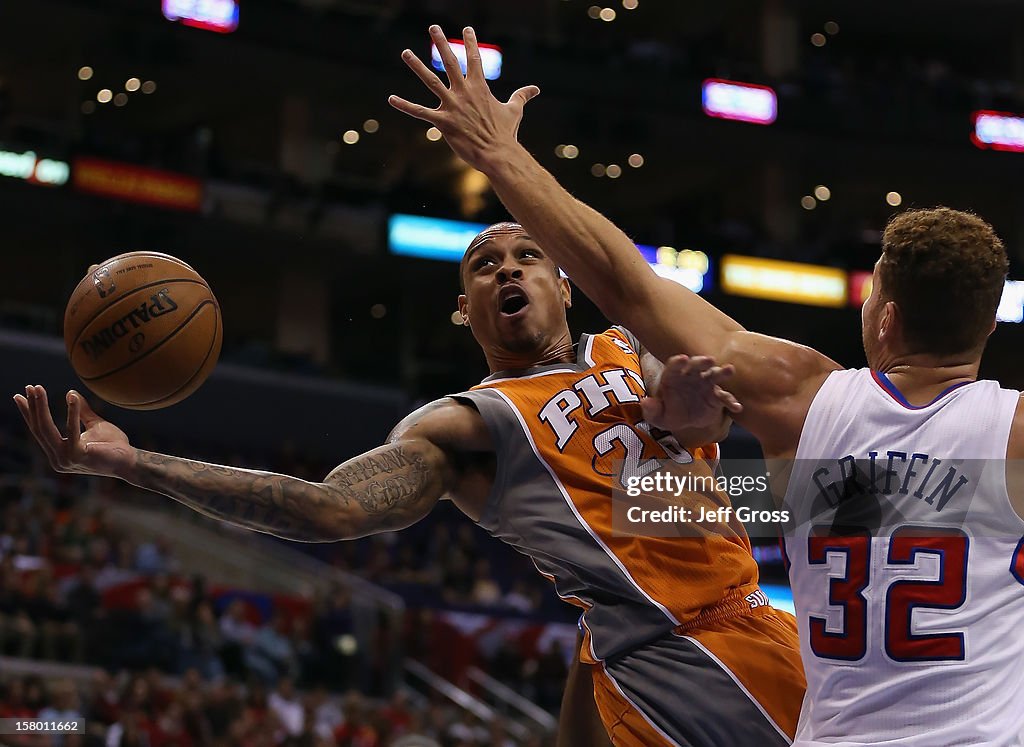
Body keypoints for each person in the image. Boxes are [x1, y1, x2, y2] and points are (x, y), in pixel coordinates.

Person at [388, 24, 1024, 746]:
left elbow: (626, 285)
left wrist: (499, 154)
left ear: (884, 318)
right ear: (989, 329)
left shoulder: (806, 404)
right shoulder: (1011, 439)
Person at [14, 220, 806, 743]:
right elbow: (331, 508)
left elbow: (709, 445)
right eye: (485, 265)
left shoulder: (640, 348)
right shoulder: (468, 424)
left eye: (527, 255)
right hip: (677, 654)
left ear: (564, 286)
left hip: (743, 624)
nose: (508, 269)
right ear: (467, 310)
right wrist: (133, 463)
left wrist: (702, 422)